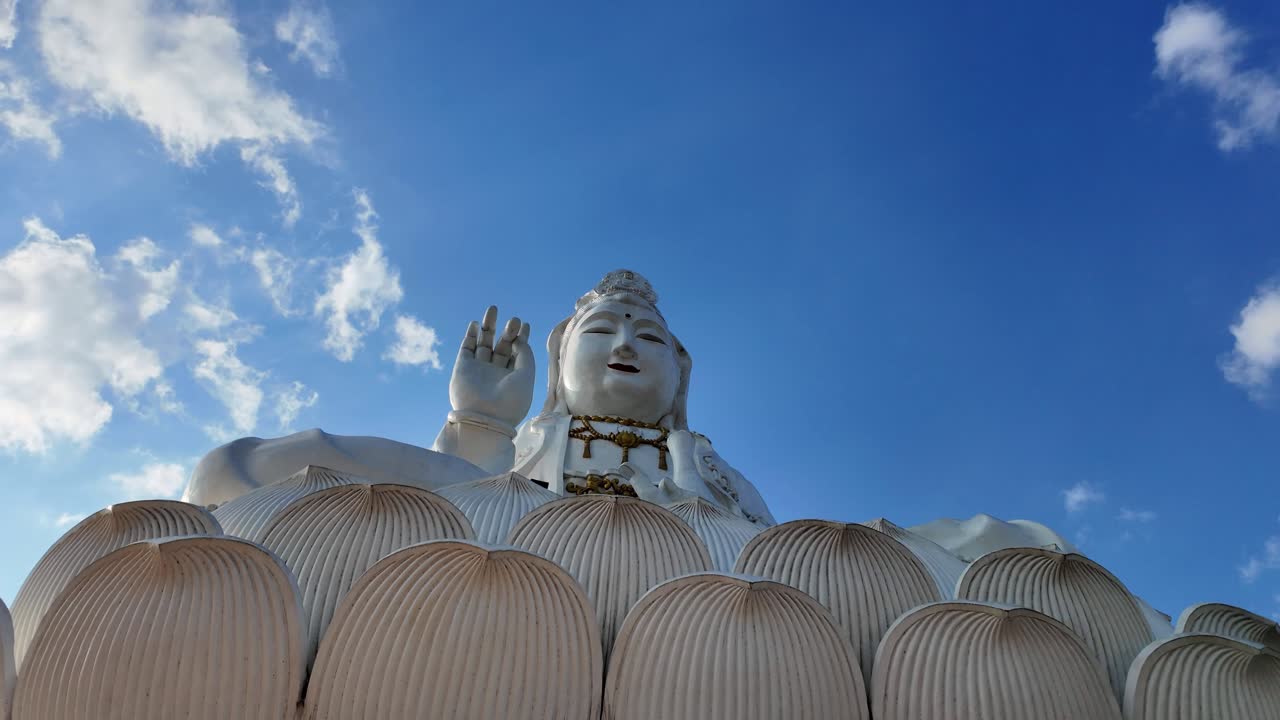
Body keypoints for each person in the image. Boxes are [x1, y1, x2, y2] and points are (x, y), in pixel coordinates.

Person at [434, 269, 775, 525]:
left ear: (680, 373)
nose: (625, 345)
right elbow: (452, 515)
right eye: (600, 330)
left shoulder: (705, 462)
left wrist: (700, 515)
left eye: (651, 338)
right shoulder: (533, 441)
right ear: (559, 361)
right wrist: (482, 421)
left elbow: (761, 548)